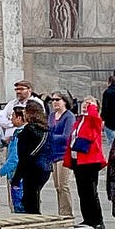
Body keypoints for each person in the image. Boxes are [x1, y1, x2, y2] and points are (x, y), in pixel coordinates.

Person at [13, 98, 53, 229]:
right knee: (31, 201)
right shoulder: (46, 129)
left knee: (31, 204)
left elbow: (23, 157)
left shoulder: (28, 131)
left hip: (32, 170)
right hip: (45, 169)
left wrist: (16, 178)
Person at [67, 98, 107, 229]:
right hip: (78, 159)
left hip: (90, 160)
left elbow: (95, 118)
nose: (86, 105)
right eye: (85, 103)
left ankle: (97, 220)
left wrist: (92, 108)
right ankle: (88, 218)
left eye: (89, 104)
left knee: (91, 191)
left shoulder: (94, 120)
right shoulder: (80, 121)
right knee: (82, 192)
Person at [42, 92, 76, 221]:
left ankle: (67, 213)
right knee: (57, 185)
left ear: (65, 101)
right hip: (53, 154)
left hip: (64, 154)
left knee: (64, 185)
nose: (54, 102)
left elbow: (66, 136)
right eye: (52, 100)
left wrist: (50, 137)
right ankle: (61, 210)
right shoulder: (51, 116)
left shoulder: (69, 116)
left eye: (57, 100)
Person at [0, 105, 26, 211]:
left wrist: (1, 172)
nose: (10, 119)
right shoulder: (18, 132)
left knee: (18, 205)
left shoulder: (20, 134)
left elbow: (14, 158)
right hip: (22, 173)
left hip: (17, 174)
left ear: (19, 118)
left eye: (12, 116)